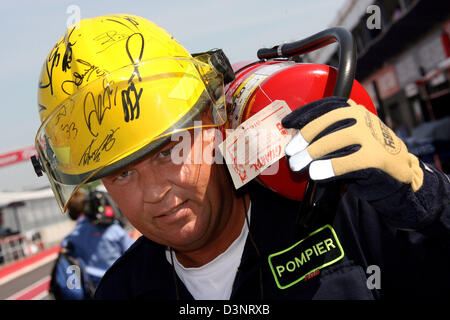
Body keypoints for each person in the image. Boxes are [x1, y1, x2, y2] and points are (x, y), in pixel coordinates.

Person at [33, 14, 450, 300]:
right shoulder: (120, 291)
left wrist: (429, 199)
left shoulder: (343, 210)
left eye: (166, 151)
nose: (155, 192)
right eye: (121, 175)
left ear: (213, 125)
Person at [50, 189, 134, 299]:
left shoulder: (69, 240)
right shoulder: (113, 229)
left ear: (71, 213)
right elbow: (134, 254)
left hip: (94, 292)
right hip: (124, 288)